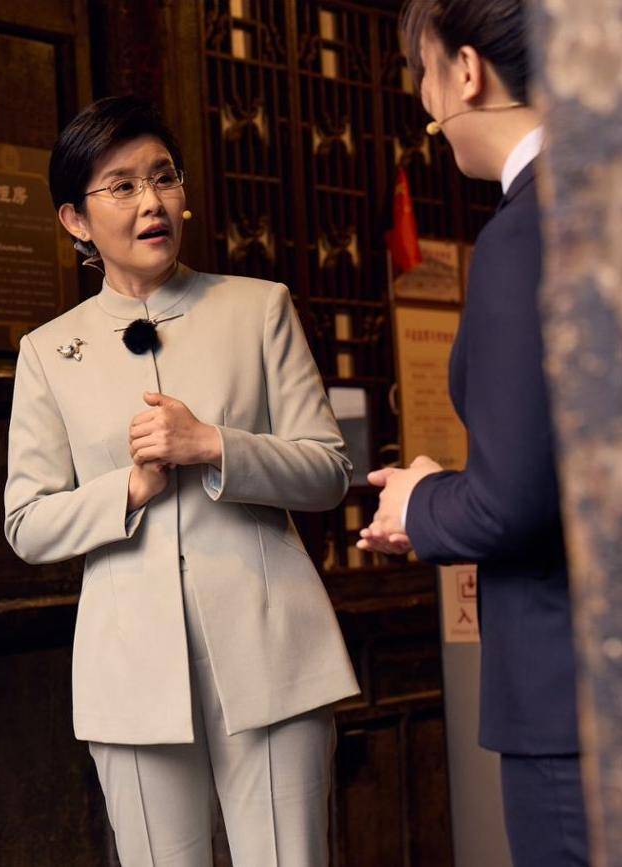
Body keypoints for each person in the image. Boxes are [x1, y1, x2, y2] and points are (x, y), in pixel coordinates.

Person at [3, 96, 358, 867]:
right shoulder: (48, 351)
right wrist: (126, 490)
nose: (152, 202)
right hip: (131, 671)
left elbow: (330, 470)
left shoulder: (259, 309)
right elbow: (27, 522)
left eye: (164, 177)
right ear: (74, 220)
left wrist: (214, 444)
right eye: (122, 186)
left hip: (271, 650)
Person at [359, 2, 586, 863]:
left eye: (423, 72)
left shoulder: (526, 236)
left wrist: (419, 502)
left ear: (465, 71)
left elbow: (512, 501)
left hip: (570, 684)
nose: (425, 103)